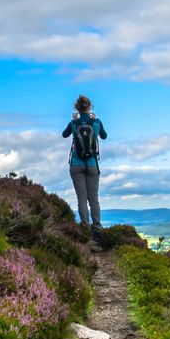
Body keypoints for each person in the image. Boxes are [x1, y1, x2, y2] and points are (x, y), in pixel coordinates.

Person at [62, 95, 107, 237]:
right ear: (90, 107)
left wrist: (74, 120)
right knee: (93, 198)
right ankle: (97, 227)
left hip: (76, 164)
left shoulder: (73, 123)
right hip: (92, 164)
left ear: (76, 108)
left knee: (81, 198)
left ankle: (85, 227)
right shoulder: (97, 122)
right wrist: (95, 121)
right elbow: (104, 136)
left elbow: (64, 135)